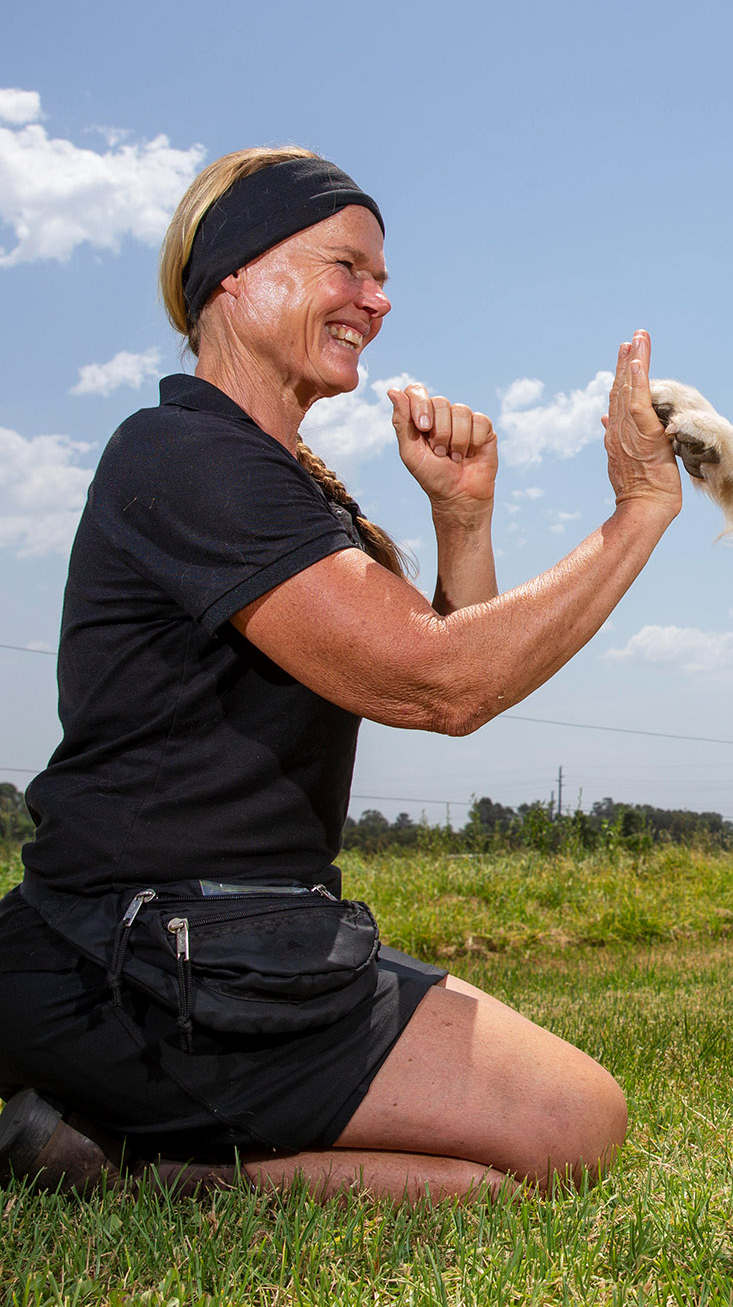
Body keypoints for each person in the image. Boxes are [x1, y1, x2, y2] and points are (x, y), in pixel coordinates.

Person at [0, 146, 683, 1200]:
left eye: (382, 278)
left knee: (569, 1128)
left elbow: (450, 666)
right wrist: (639, 513)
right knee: (561, 1136)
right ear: (236, 272)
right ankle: (121, 1166)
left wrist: (462, 516)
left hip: (255, 944)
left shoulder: (276, 484)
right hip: (143, 964)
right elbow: (440, 682)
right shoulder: (183, 456)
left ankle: (96, 1140)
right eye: (349, 268)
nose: (379, 299)